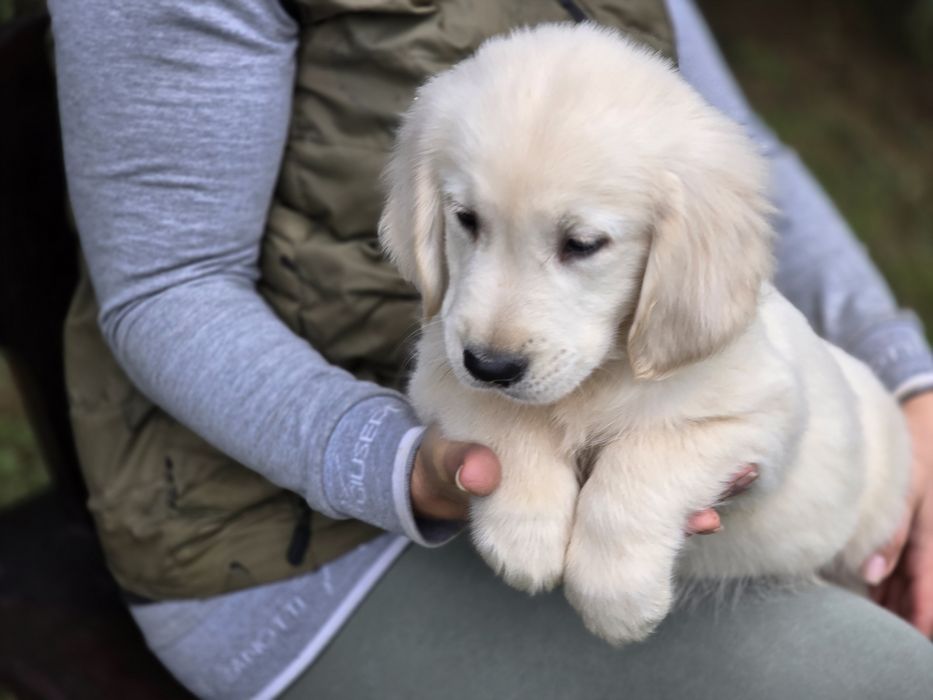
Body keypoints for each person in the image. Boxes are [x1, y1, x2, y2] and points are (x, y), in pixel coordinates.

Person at [49, 0, 933, 697]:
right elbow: (167, 287)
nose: (493, 334)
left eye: (579, 243)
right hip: (271, 536)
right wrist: (399, 465)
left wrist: (908, 380)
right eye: (466, 222)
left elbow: (733, 152)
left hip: (699, 486)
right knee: (886, 681)